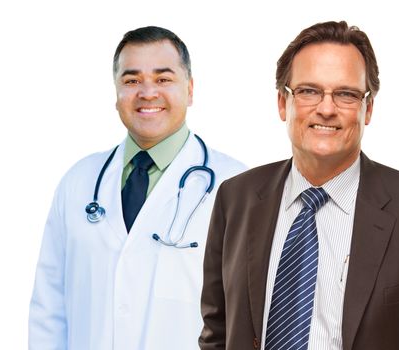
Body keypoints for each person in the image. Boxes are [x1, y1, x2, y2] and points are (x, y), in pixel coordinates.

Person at [199, 20, 399, 350]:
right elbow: (217, 332)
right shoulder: (235, 199)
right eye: (308, 91)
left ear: (368, 109)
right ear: (283, 102)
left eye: (346, 94)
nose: (326, 109)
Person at [28, 26, 246, 349]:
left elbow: (250, 316)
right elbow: (49, 312)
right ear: (116, 94)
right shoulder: (77, 184)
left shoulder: (236, 188)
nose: (147, 92)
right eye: (131, 81)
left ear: (190, 89)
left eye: (163, 79)